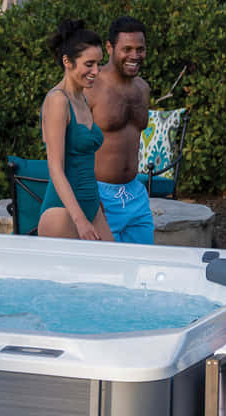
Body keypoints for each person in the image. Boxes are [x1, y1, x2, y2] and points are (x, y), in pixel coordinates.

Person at [38, 19, 114, 241]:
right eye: (89, 64)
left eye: (99, 64)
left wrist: (95, 209)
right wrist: (79, 220)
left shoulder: (82, 97)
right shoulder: (57, 101)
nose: (96, 71)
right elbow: (55, 168)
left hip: (91, 205)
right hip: (63, 212)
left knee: (118, 270)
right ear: (67, 61)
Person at [84, 16, 156, 245]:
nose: (135, 56)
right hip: (99, 196)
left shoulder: (143, 89)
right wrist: (89, 197)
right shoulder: (90, 87)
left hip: (135, 194)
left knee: (144, 269)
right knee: (104, 274)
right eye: (127, 49)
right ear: (109, 48)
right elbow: (70, 147)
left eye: (140, 49)